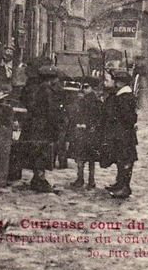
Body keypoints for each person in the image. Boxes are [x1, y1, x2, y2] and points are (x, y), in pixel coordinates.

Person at [19, 64, 66, 192]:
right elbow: (50, 110)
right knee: (41, 152)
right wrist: (57, 124)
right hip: (43, 126)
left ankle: (38, 178)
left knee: (39, 151)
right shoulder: (46, 90)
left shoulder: (41, 88)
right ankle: (39, 180)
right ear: (51, 78)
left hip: (37, 125)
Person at [99, 69, 138, 199]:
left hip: (124, 135)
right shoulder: (121, 95)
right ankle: (120, 183)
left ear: (120, 83)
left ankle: (125, 187)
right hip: (120, 134)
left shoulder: (125, 97)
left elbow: (129, 118)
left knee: (125, 160)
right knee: (120, 159)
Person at [67, 76, 102, 190]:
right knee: (79, 157)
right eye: (81, 87)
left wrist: (88, 125)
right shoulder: (80, 100)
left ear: (92, 88)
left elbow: (97, 118)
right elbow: (74, 114)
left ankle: (91, 180)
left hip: (90, 132)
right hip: (80, 132)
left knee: (90, 158)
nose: (83, 89)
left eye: (86, 87)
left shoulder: (96, 102)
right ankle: (80, 178)